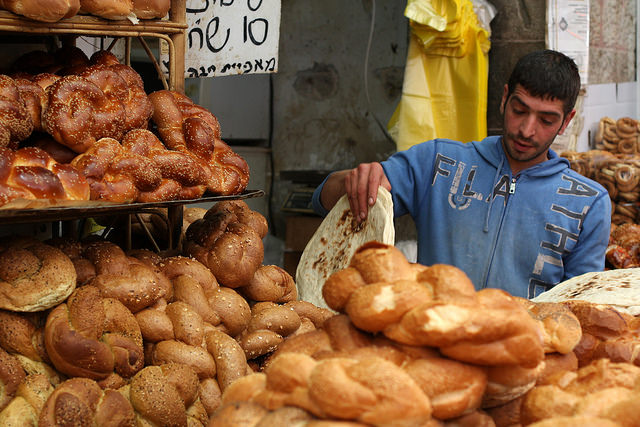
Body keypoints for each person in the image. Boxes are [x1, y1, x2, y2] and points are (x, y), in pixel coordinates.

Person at [311, 49, 611, 299]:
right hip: (431, 344)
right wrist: (354, 180)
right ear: (504, 98)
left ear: (567, 120)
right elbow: (323, 201)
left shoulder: (588, 203)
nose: (526, 130)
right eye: (519, 110)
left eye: (546, 120)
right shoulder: (437, 161)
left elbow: (580, 306)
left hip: (521, 356)